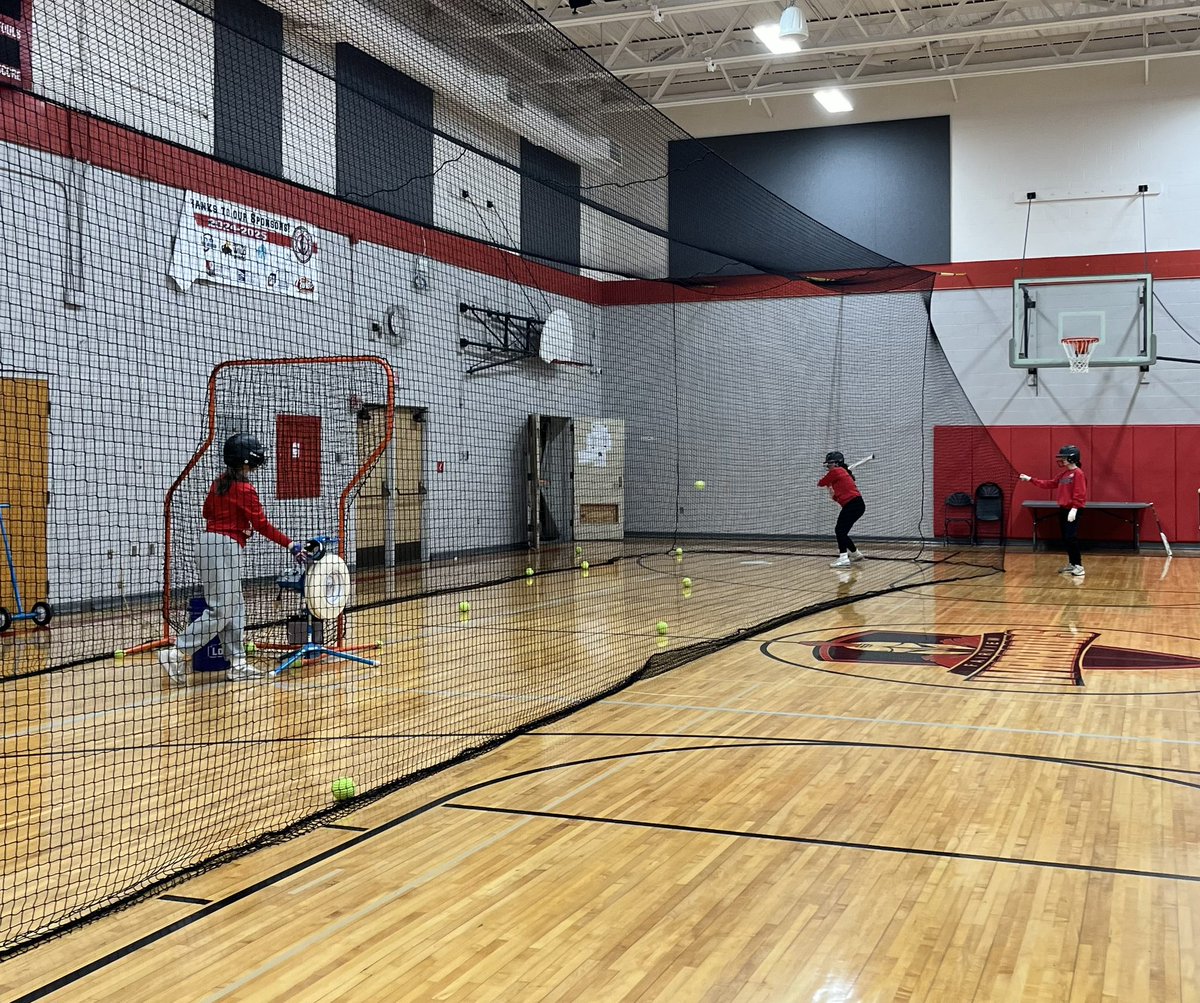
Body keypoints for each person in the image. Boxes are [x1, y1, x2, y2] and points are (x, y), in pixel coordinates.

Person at [159, 433, 307, 684]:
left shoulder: (220, 483)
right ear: (247, 461)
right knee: (222, 610)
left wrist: (238, 526)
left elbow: (208, 512)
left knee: (235, 606)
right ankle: (176, 652)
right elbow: (261, 525)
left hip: (210, 544)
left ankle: (237, 663)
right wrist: (291, 544)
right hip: (223, 548)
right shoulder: (245, 489)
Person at [1019, 444, 1087, 576]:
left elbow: (1080, 493)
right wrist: (1030, 479)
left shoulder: (1078, 474)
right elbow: (1050, 483)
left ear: (1072, 458)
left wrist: (1074, 508)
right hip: (1063, 509)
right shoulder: (1064, 474)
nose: (1062, 460)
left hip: (1073, 510)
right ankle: (1072, 564)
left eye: (1064, 457)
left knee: (1071, 537)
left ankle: (1079, 566)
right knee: (1066, 538)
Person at [818, 450, 866, 568]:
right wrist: (831, 489)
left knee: (840, 531)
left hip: (853, 504)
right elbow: (836, 497)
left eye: (830, 463)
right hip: (856, 505)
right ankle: (855, 553)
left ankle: (844, 558)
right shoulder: (841, 473)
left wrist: (828, 484)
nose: (828, 465)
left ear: (837, 463)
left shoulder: (837, 471)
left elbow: (820, 483)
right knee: (842, 531)